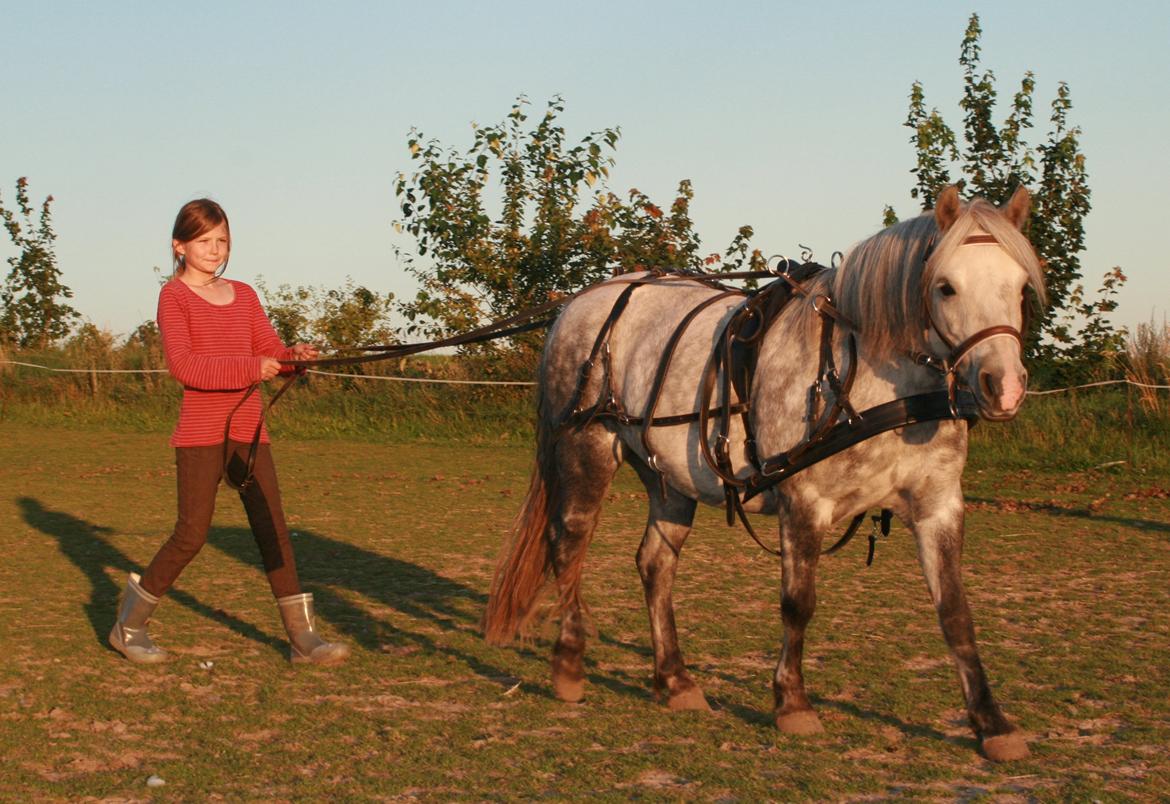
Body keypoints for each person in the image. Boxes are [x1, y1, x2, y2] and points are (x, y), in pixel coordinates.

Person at [109, 198, 349, 666]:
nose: (215, 249)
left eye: (222, 240)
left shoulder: (244, 293)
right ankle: (129, 626)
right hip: (201, 433)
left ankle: (304, 640)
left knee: (273, 528)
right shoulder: (173, 297)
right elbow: (186, 366)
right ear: (179, 245)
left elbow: (268, 350)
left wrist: (291, 357)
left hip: (249, 430)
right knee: (191, 534)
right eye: (204, 241)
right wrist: (252, 366)